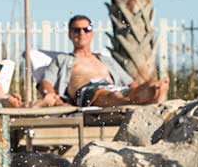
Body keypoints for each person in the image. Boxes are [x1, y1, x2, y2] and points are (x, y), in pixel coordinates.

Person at [36, 14, 170, 107]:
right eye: (76, 30)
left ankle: (152, 92)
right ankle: (132, 102)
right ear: (70, 34)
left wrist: (141, 89)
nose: (82, 33)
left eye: (86, 29)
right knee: (111, 95)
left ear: (92, 33)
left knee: (148, 85)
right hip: (89, 92)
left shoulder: (105, 60)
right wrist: (53, 97)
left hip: (116, 89)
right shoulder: (62, 60)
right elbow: (46, 82)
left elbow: (131, 83)